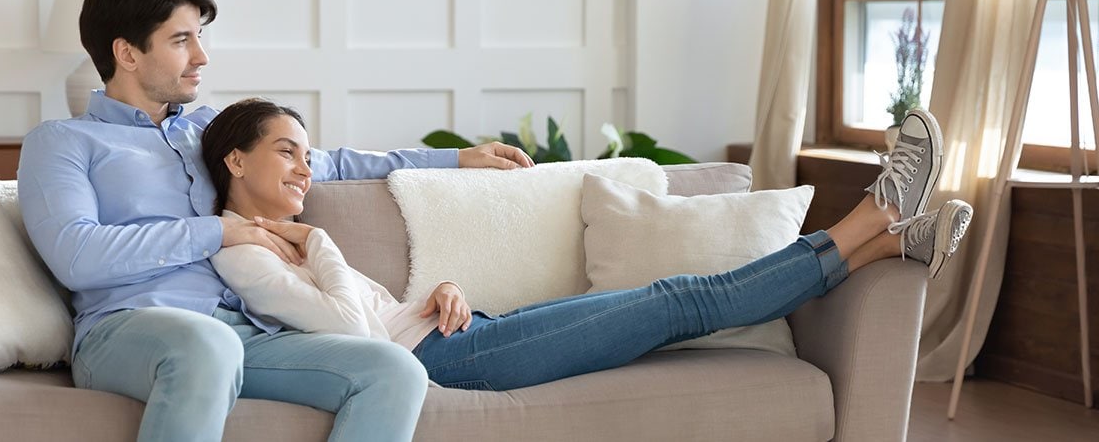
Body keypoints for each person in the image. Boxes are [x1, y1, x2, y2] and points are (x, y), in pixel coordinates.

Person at [17, 0, 533, 442]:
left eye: (200, 36)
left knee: (392, 368)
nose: (201, 56)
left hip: (250, 330)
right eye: (181, 40)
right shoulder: (63, 141)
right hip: (128, 329)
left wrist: (456, 158)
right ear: (127, 53)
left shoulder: (207, 130)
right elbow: (77, 255)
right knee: (207, 345)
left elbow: (331, 163)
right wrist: (220, 231)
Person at [204, 98, 974, 393]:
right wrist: (316, 240)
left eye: (309, 153)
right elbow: (347, 334)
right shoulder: (241, 253)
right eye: (286, 152)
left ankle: (885, 249)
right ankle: (872, 216)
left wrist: (432, 295)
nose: (307, 167)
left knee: (675, 302)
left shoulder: (282, 241)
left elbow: (373, 315)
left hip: (462, 332)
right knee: (678, 300)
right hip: (446, 362)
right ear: (235, 161)